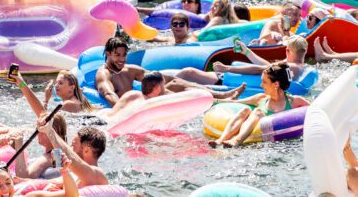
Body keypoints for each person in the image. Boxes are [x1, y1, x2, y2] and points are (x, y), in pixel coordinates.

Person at [95, 36, 245, 106]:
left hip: (142, 102)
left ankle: (221, 95)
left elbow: (160, 78)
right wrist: (124, 109)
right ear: (108, 54)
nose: (121, 59)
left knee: (174, 82)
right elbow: (108, 93)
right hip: (131, 107)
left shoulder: (130, 70)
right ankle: (220, 98)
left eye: (124, 55)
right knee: (173, 87)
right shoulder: (104, 74)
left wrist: (188, 81)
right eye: (117, 55)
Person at [207, 62, 309, 147]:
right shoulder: (261, 98)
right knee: (246, 110)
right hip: (258, 139)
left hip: (281, 141)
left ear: (276, 84)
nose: (261, 85)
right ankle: (221, 140)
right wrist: (213, 100)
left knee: (258, 112)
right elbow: (235, 102)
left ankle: (237, 140)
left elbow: (317, 111)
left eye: (264, 82)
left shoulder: (295, 101)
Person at [178, 34, 308, 87]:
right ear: (305, 51)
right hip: (229, 79)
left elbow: (260, 70)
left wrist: (227, 68)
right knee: (185, 74)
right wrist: (246, 51)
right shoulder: (298, 67)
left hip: (229, 81)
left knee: (187, 72)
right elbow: (268, 66)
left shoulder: (291, 67)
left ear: (288, 51)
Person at [36, 117, 108, 190]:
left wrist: (50, 131)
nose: (70, 148)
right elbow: (44, 182)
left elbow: (69, 156)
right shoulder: (73, 174)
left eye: (73, 145)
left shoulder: (98, 175)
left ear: (86, 150)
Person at [9, 111, 68, 180]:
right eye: (38, 128)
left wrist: (19, 146)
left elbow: (22, 176)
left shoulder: (49, 158)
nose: (39, 132)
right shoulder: (58, 155)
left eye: (43, 128)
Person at [15, 70, 93, 115]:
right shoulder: (75, 102)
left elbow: (44, 119)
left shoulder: (68, 104)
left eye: (60, 83)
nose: (56, 86)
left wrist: (46, 100)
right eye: (56, 83)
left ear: (72, 87)